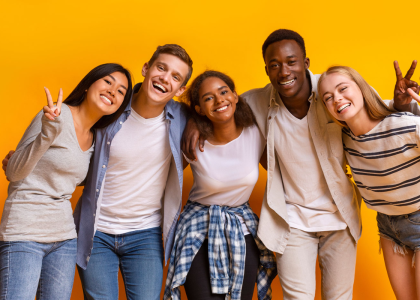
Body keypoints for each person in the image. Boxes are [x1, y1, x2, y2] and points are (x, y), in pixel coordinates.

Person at [182, 29, 418, 299]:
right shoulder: (255, 101)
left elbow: (373, 114)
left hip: (339, 218)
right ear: (267, 70)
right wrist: (193, 120)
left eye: (291, 62)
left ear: (306, 62)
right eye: (275, 65)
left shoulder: (332, 90)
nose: (284, 71)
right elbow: (219, 105)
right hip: (291, 220)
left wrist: (401, 106)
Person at [0, 63, 133, 300]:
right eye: (108, 82)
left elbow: (76, 177)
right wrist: (46, 134)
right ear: (88, 85)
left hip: (64, 237)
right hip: (25, 230)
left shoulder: (97, 138)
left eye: (121, 91)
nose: (113, 91)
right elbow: (14, 173)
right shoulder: (55, 115)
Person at [72, 44, 193, 300]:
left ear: (180, 89)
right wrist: (34, 156)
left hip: (146, 233)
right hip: (97, 231)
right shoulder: (110, 106)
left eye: (175, 77)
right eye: (161, 68)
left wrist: (197, 128)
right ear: (146, 68)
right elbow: (75, 135)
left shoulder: (184, 119)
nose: (165, 78)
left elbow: (221, 115)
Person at [164, 70, 276, 300]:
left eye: (224, 92)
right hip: (197, 229)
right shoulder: (192, 141)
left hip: (240, 228)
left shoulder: (256, 134)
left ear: (235, 96)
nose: (219, 100)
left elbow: (283, 172)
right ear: (198, 109)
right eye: (208, 98)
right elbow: (162, 176)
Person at [318, 65, 420, 300]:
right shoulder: (344, 140)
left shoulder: (405, 126)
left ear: (362, 89)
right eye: (328, 98)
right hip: (388, 227)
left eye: (343, 88)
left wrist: (406, 106)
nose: (337, 99)